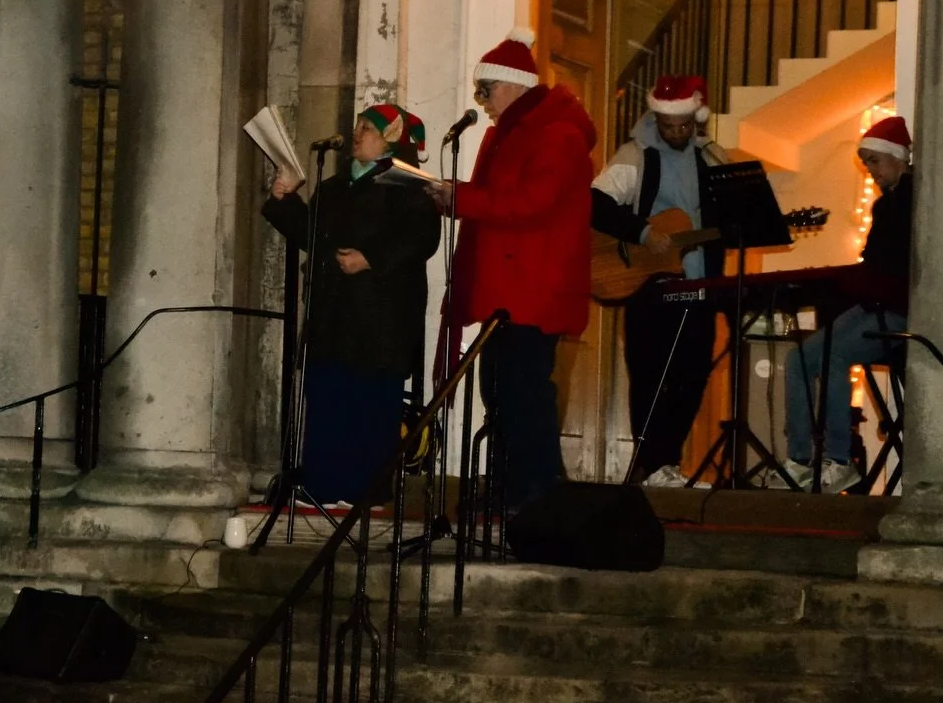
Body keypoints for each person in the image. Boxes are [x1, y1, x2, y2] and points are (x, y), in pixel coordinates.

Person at [425, 27, 597, 512]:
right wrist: (454, 196)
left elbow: (533, 203)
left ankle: (538, 492)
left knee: (524, 393)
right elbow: (501, 202)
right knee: (499, 390)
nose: (482, 102)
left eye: (488, 90)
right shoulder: (509, 135)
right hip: (509, 289)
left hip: (534, 289)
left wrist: (463, 197)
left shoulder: (557, 134)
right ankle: (508, 488)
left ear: (517, 84)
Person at [263, 104, 441, 505]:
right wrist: (284, 200)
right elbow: (313, 237)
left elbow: (421, 238)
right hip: (333, 315)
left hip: (381, 321)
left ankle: (365, 491)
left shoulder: (410, 186)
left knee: (370, 404)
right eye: (357, 125)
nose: (356, 133)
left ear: (391, 137)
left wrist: (370, 258)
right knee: (328, 400)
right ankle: (322, 486)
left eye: (367, 128)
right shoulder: (334, 186)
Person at [591, 75, 729, 488]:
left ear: (696, 119)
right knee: (651, 375)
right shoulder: (636, 155)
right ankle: (653, 465)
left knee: (693, 375)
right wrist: (644, 234)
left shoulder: (712, 157)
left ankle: (665, 463)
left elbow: (731, 214)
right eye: (669, 127)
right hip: (650, 286)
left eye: (684, 126)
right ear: (657, 119)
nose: (676, 134)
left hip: (700, 283)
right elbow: (595, 204)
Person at [771, 115, 913, 494]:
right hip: (876, 305)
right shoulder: (888, 205)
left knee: (830, 355)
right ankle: (800, 459)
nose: (871, 171)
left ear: (900, 158)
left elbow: (892, 265)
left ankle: (839, 458)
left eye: (874, 161)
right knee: (798, 359)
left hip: (897, 309)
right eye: (866, 163)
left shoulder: (912, 200)